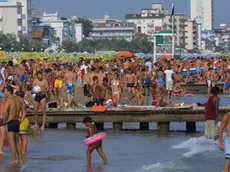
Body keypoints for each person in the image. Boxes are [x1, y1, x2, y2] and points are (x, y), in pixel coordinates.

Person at [3, 86, 25, 163]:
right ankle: (21, 159)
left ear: (9, 92)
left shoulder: (9, 101)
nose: (4, 93)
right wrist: (20, 121)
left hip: (11, 122)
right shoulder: (19, 100)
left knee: (11, 142)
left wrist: (5, 120)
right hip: (17, 122)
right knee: (17, 142)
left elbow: (4, 112)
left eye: (5, 91)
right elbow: (24, 112)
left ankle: (14, 160)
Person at [16, 91, 29, 157]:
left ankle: (23, 152)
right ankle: (22, 151)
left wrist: (20, 120)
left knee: (23, 137)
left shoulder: (22, 102)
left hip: (22, 119)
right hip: (21, 119)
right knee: (19, 137)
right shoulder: (23, 101)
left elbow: (24, 112)